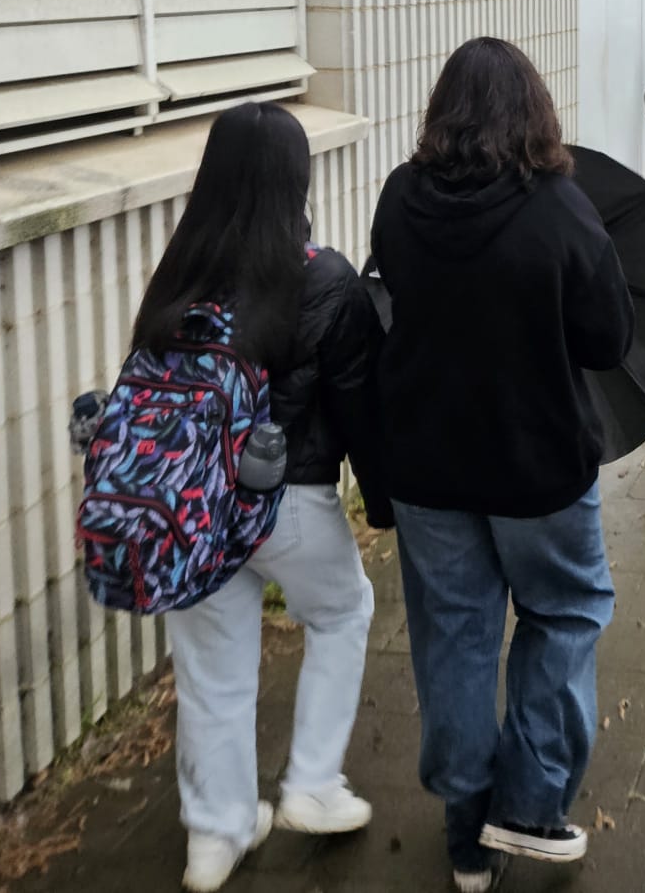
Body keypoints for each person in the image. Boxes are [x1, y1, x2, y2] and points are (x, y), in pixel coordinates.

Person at [369, 38, 636, 892]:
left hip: (426, 463)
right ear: (535, 111)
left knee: (454, 638)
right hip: (538, 466)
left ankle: (467, 838)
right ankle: (528, 805)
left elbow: (393, 295)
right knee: (564, 614)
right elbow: (608, 338)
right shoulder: (559, 208)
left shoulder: (400, 196)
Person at [137, 102, 381, 893]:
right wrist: (383, 501)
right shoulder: (324, 277)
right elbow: (358, 404)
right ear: (296, 179)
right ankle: (311, 782)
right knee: (342, 612)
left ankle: (216, 835)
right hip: (289, 503)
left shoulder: (178, 277)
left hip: (191, 507)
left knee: (212, 670)